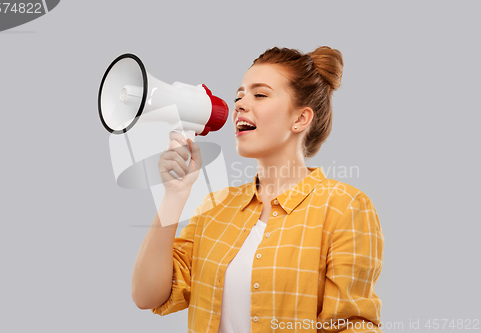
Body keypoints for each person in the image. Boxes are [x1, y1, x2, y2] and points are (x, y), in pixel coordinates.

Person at [131, 46, 384, 333]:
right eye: (239, 95)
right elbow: (146, 295)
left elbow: (349, 325)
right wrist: (174, 196)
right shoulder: (215, 206)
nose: (240, 104)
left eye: (259, 94)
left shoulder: (344, 206)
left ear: (300, 119)